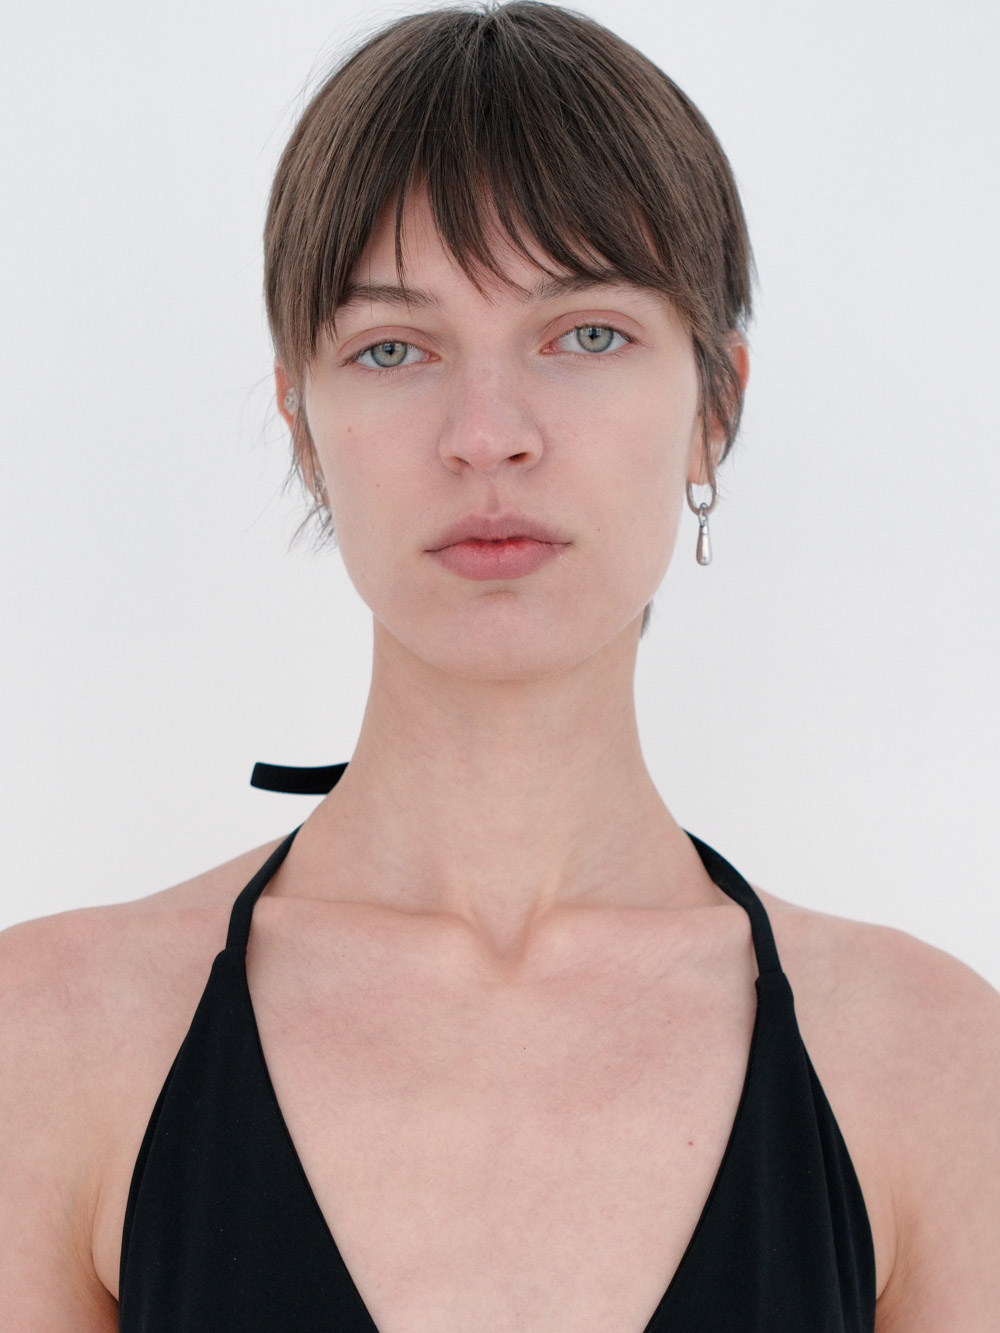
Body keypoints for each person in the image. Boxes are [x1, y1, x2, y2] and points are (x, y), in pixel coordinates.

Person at [1, 2, 998, 1329]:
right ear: (302, 424)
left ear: (715, 405)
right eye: (393, 348)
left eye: (585, 333)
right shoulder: (52, 1041)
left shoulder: (933, 1068)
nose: (487, 434)